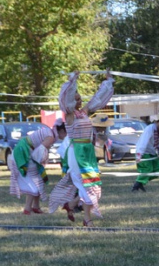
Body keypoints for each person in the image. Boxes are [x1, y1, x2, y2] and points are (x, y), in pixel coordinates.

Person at [49, 71, 114, 227]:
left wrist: (108, 82)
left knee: (91, 184)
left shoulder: (83, 112)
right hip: (76, 152)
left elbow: (97, 99)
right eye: (76, 99)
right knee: (86, 185)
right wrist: (73, 81)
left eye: (80, 99)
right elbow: (65, 100)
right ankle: (87, 219)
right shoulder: (69, 115)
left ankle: (71, 206)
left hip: (88, 152)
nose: (79, 101)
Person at [8, 125, 57, 214]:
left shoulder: (49, 132)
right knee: (33, 183)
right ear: (61, 131)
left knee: (38, 180)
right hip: (23, 152)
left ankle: (35, 206)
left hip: (26, 150)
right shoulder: (50, 137)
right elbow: (39, 152)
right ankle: (27, 209)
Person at [131, 111, 159, 192]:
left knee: (157, 169)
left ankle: (140, 183)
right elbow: (143, 142)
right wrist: (139, 155)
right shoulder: (150, 129)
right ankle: (137, 185)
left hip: (152, 151)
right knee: (147, 170)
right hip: (144, 152)